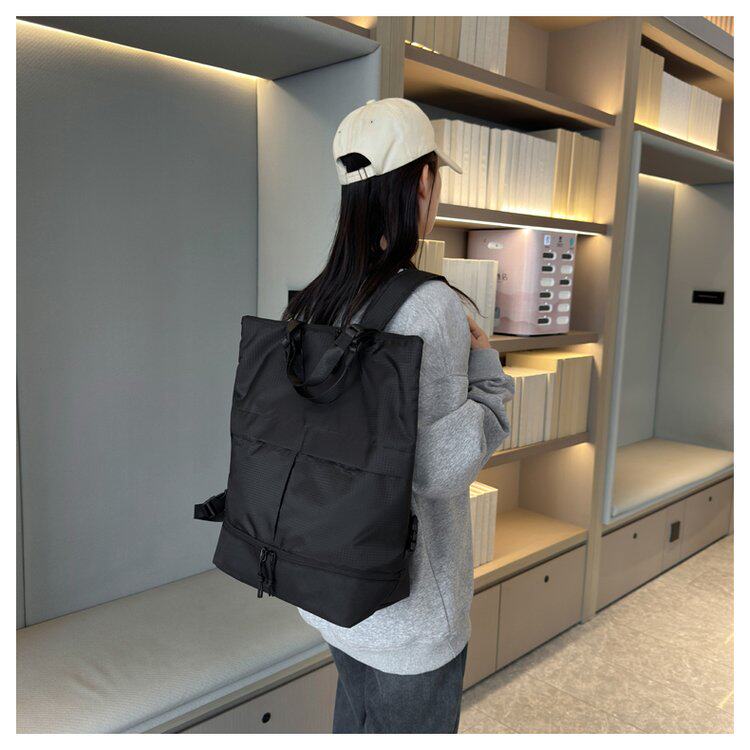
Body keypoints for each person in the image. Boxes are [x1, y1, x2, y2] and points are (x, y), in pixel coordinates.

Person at [284, 98, 514, 733]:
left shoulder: (316, 300)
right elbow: (441, 471)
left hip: (330, 586)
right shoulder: (431, 305)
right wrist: (489, 376)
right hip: (409, 612)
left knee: (356, 719)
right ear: (423, 183)